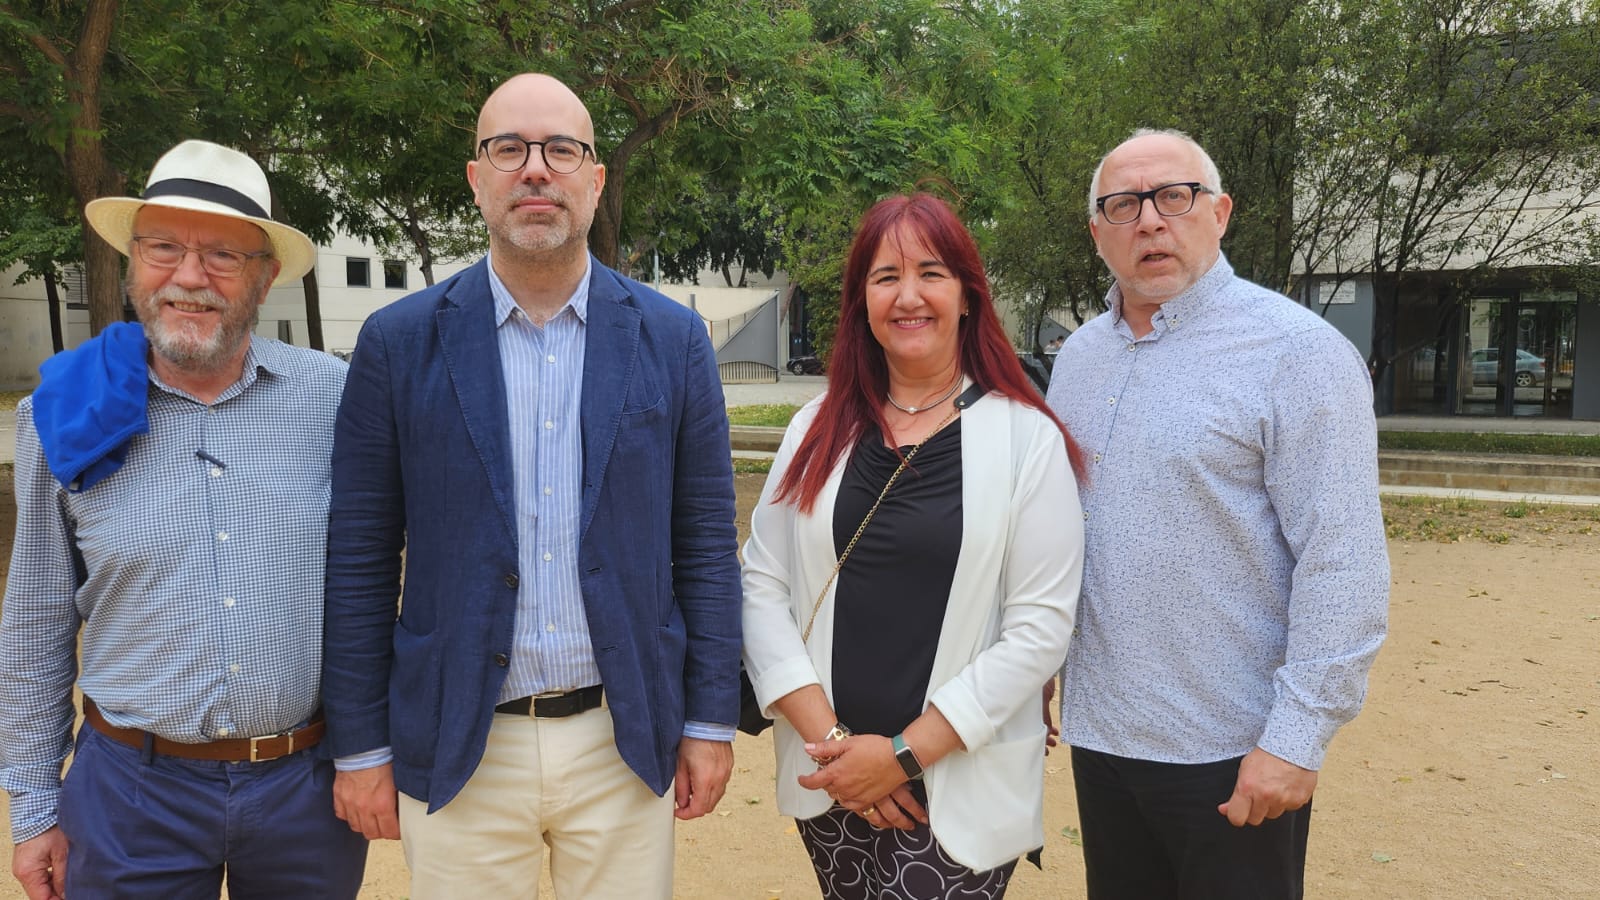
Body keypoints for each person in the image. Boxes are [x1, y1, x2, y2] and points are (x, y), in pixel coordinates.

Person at [320, 73, 742, 899]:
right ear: (477, 178)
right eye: (509, 149)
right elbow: (361, 557)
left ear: (595, 178)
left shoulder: (673, 339)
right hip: (459, 739)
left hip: (624, 733)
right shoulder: (397, 343)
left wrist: (708, 719)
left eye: (562, 150)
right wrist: (362, 747)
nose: (536, 170)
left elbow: (704, 545)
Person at [0, 140, 365, 900]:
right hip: (130, 795)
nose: (189, 278)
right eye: (164, 247)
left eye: (223, 256)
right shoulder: (59, 416)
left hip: (305, 788)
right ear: (134, 262)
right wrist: (35, 809)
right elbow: (34, 621)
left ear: (264, 277)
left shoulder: (338, 402)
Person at [1048, 128, 1389, 898]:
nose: (1150, 221)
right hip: (1102, 737)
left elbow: (1343, 559)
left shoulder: (1299, 354)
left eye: (1175, 197)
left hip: (1233, 748)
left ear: (1220, 212)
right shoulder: (1078, 361)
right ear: (1097, 230)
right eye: (1123, 204)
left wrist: (1297, 740)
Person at [741, 193, 1085, 899]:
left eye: (931, 272)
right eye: (885, 276)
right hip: (829, 773)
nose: (909, 296)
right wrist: (839, 747)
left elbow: (1040, 629)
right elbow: (761, 583)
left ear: (967, 296)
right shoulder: (816, 426)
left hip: (957, 777)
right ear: (861, 301)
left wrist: (899, 756)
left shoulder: (1026, 439)